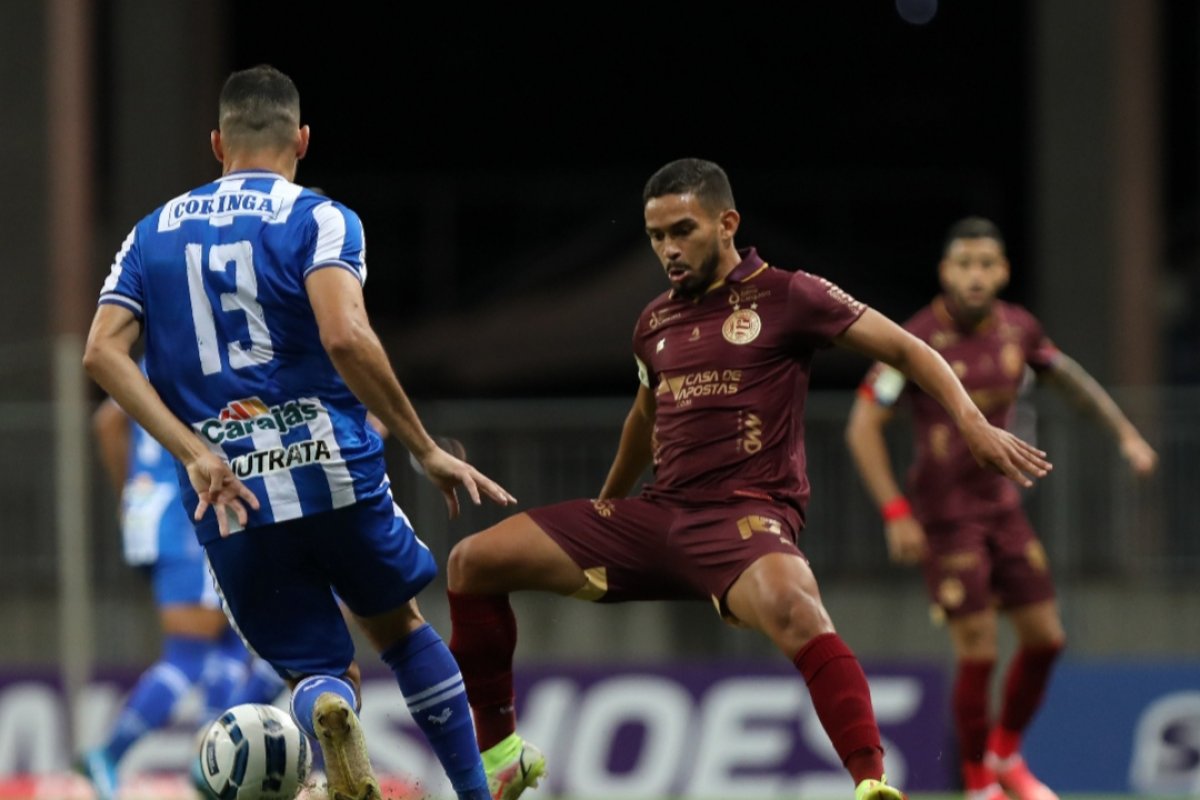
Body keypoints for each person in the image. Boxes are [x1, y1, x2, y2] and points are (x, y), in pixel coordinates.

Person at [444, 158, 1053, 800]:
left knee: (796, 607)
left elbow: (907, 348)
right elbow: (642, 421)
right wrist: (606, 510)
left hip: (744, 519)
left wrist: (971, 423)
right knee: (473, 561)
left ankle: (871, 783)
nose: (669, 250)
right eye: (656, 236)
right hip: (658, 518)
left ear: (726, 222)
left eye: (683, 230)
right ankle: (501, 753)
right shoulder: (653, 322)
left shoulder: (790, 295)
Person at [82, 64, 516, 800]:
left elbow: (101, 353)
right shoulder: (318, 217)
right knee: (403, 631)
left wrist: (192, 451)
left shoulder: (149, 234)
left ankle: (328, 711)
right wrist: (424, 446)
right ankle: (476, 794)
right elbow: (346, 335)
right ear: (303, 140)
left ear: (217, 142)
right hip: (332, 466)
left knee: (319, 667)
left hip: (232, 494)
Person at [844, 216, 1158, 800]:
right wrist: (895, 511)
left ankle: (1005, 752)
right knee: (979, 648)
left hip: (1002, 507)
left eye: (986, 265)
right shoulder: (913, 340)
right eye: (964, 265)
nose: (975, 276)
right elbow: (864, 423)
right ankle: (978, 784)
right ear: (944, 272)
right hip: (945, 515)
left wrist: (1126, 436)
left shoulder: (1019, 329)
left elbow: (1071, 381)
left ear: (1004, 271)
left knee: (1046, 638)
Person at [76, 390, 287, 800]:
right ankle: (108, 754)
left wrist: (132, 491)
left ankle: (209, 759)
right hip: (181, 516)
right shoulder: (186, 354)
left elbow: (108, 419)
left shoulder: (150, 363)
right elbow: (107, 422)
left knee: (231, 643)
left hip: (165, 513)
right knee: (190, 653)